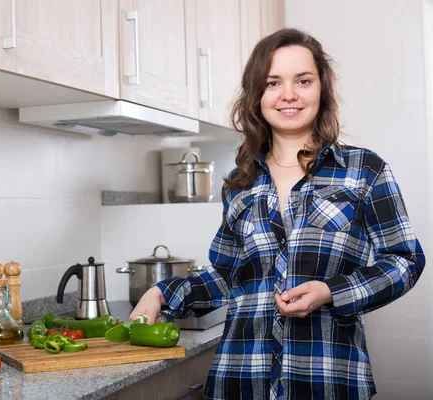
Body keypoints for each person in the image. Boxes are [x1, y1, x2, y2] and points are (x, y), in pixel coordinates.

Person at [130, 28, 425, 400]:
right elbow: (227, 275)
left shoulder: (364, 171)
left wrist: (330, 292)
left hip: (328, 380)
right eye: (273, 83)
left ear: (322, 88)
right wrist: (161, 293)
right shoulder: (240, 183)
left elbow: (404, 260)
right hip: (240, 379)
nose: (288, 94)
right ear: (257, 94)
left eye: (303, 80)